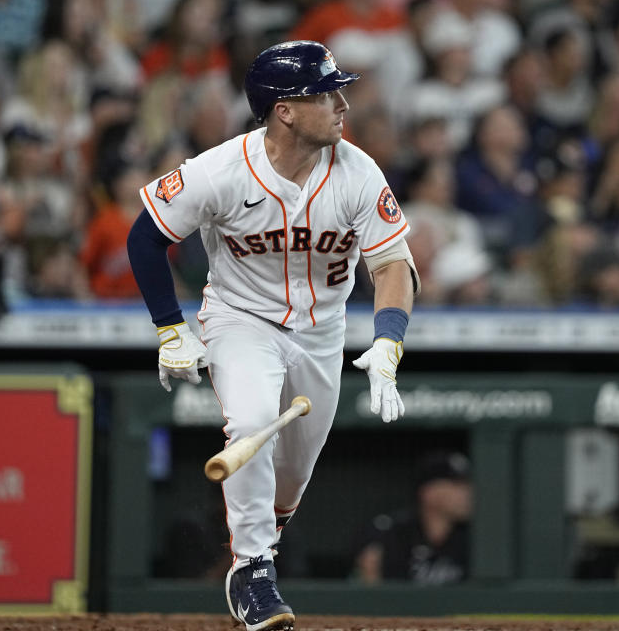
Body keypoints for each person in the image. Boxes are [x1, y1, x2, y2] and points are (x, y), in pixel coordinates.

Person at [126, 40, 418, 631]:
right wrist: (169, 327)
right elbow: (146, 236)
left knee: (292, 474)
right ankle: (253, 570)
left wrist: (389, 339)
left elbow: (392, 265)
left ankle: (257, 532)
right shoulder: (221, 170)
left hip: (321, 331)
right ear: (284, 109)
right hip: (240, 318)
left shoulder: (359, 173)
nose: (342, 103)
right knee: (253, 421)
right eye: (326, 92)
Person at [354, 451, 472, 585]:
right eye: (458, 485)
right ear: (429, 492)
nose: (469, 492)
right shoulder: (389, 533)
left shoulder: (474, 537)